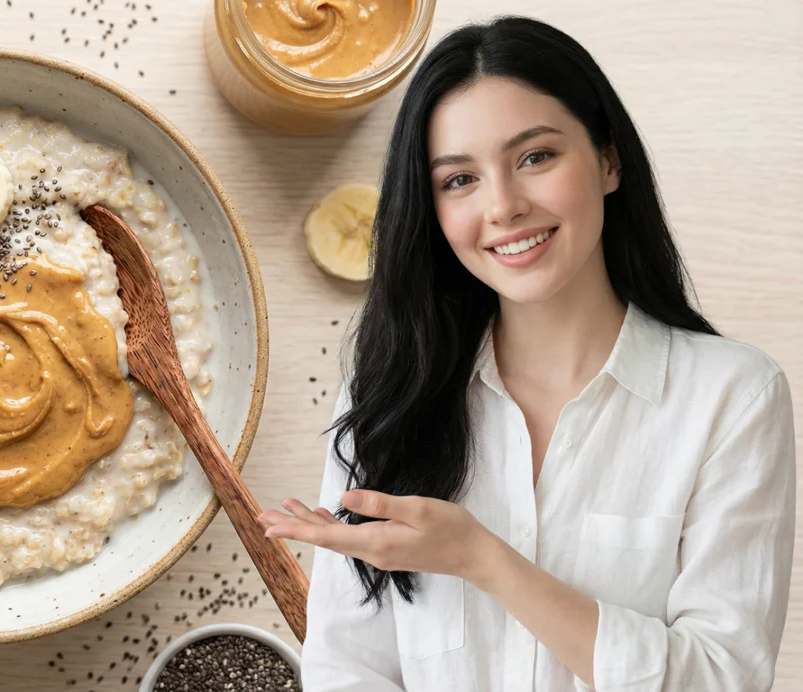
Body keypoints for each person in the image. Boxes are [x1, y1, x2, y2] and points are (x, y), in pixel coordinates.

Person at [257, 15, 796, 692]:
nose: (504, 207)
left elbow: (725, 679)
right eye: (459, 180)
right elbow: (348, 668)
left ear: (607, 159)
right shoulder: (392, 393)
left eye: (536, 157)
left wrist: (482, 558)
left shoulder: (732, 399)